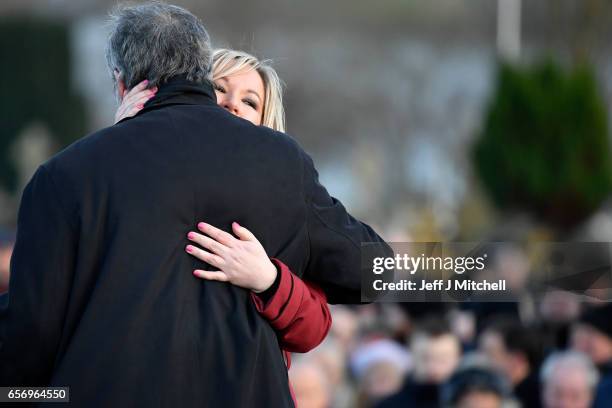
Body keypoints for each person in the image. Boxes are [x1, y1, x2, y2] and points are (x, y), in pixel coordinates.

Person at [0, 3, 390, 407]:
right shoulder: (283, 164)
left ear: (121, 82)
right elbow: (374, 269)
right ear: (202, 72)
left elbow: (29, 338)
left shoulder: (65, 176)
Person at [115, 48, 332, 365]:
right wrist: (128, 137)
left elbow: (313, 329)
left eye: (250, 101)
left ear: (265, 120)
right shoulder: (139, 167)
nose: (233, 103)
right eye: (219, 88)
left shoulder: (285, 203)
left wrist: (269, 280)